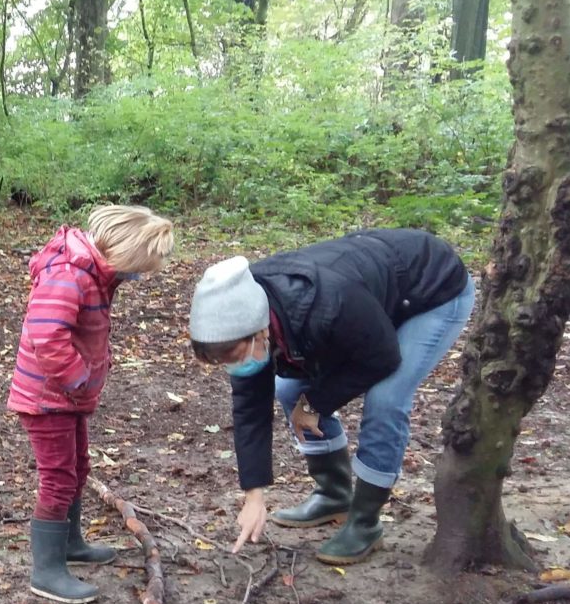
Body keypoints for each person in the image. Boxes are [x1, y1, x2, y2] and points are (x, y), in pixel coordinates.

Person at [187, 228, 475, 565]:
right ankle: (333, 494)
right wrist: (254, 496)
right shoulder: (242, 313)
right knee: (289, 388)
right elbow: (250, 411)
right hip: (371, 304)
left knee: (386, 399)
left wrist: (314, 404)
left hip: (431, 292)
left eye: (236, 356)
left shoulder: (328, 303)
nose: (233, 367)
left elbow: (381, 358)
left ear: (260, 331)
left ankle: (365, 522)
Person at [8, 205, 175, 604]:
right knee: (58, 478)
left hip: (68, 398)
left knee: (79, 468)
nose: (136, 277)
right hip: (47, 398)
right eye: (138, 268)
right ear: (122, 253)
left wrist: (95, 369)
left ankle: (71, 543)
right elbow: (47, 336)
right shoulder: (69, 276)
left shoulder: (95, 275)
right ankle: (46, 570)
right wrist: (78, 378)